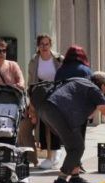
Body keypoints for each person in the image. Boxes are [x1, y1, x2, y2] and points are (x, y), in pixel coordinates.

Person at [35, 72, 105, 183]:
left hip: (46, 109)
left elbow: (90, 115)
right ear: (103, 85)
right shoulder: (94, 90)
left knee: (72, 143)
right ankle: (61, 179)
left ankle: (75, 176)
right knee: (77, 147)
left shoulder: (80, 81)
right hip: (58, 111)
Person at [28, 34, 63, 170]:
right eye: (41, 44)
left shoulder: (58, 59)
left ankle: (54, 152)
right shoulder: (34, 60)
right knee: (43, 125)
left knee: (54, 123)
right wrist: (31, 100)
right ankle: (49, 155)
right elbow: (31, 80)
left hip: (56, 93)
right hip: (40, 93)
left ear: (50, 45)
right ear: (38, 45)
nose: (44, 47)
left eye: (46, 44)